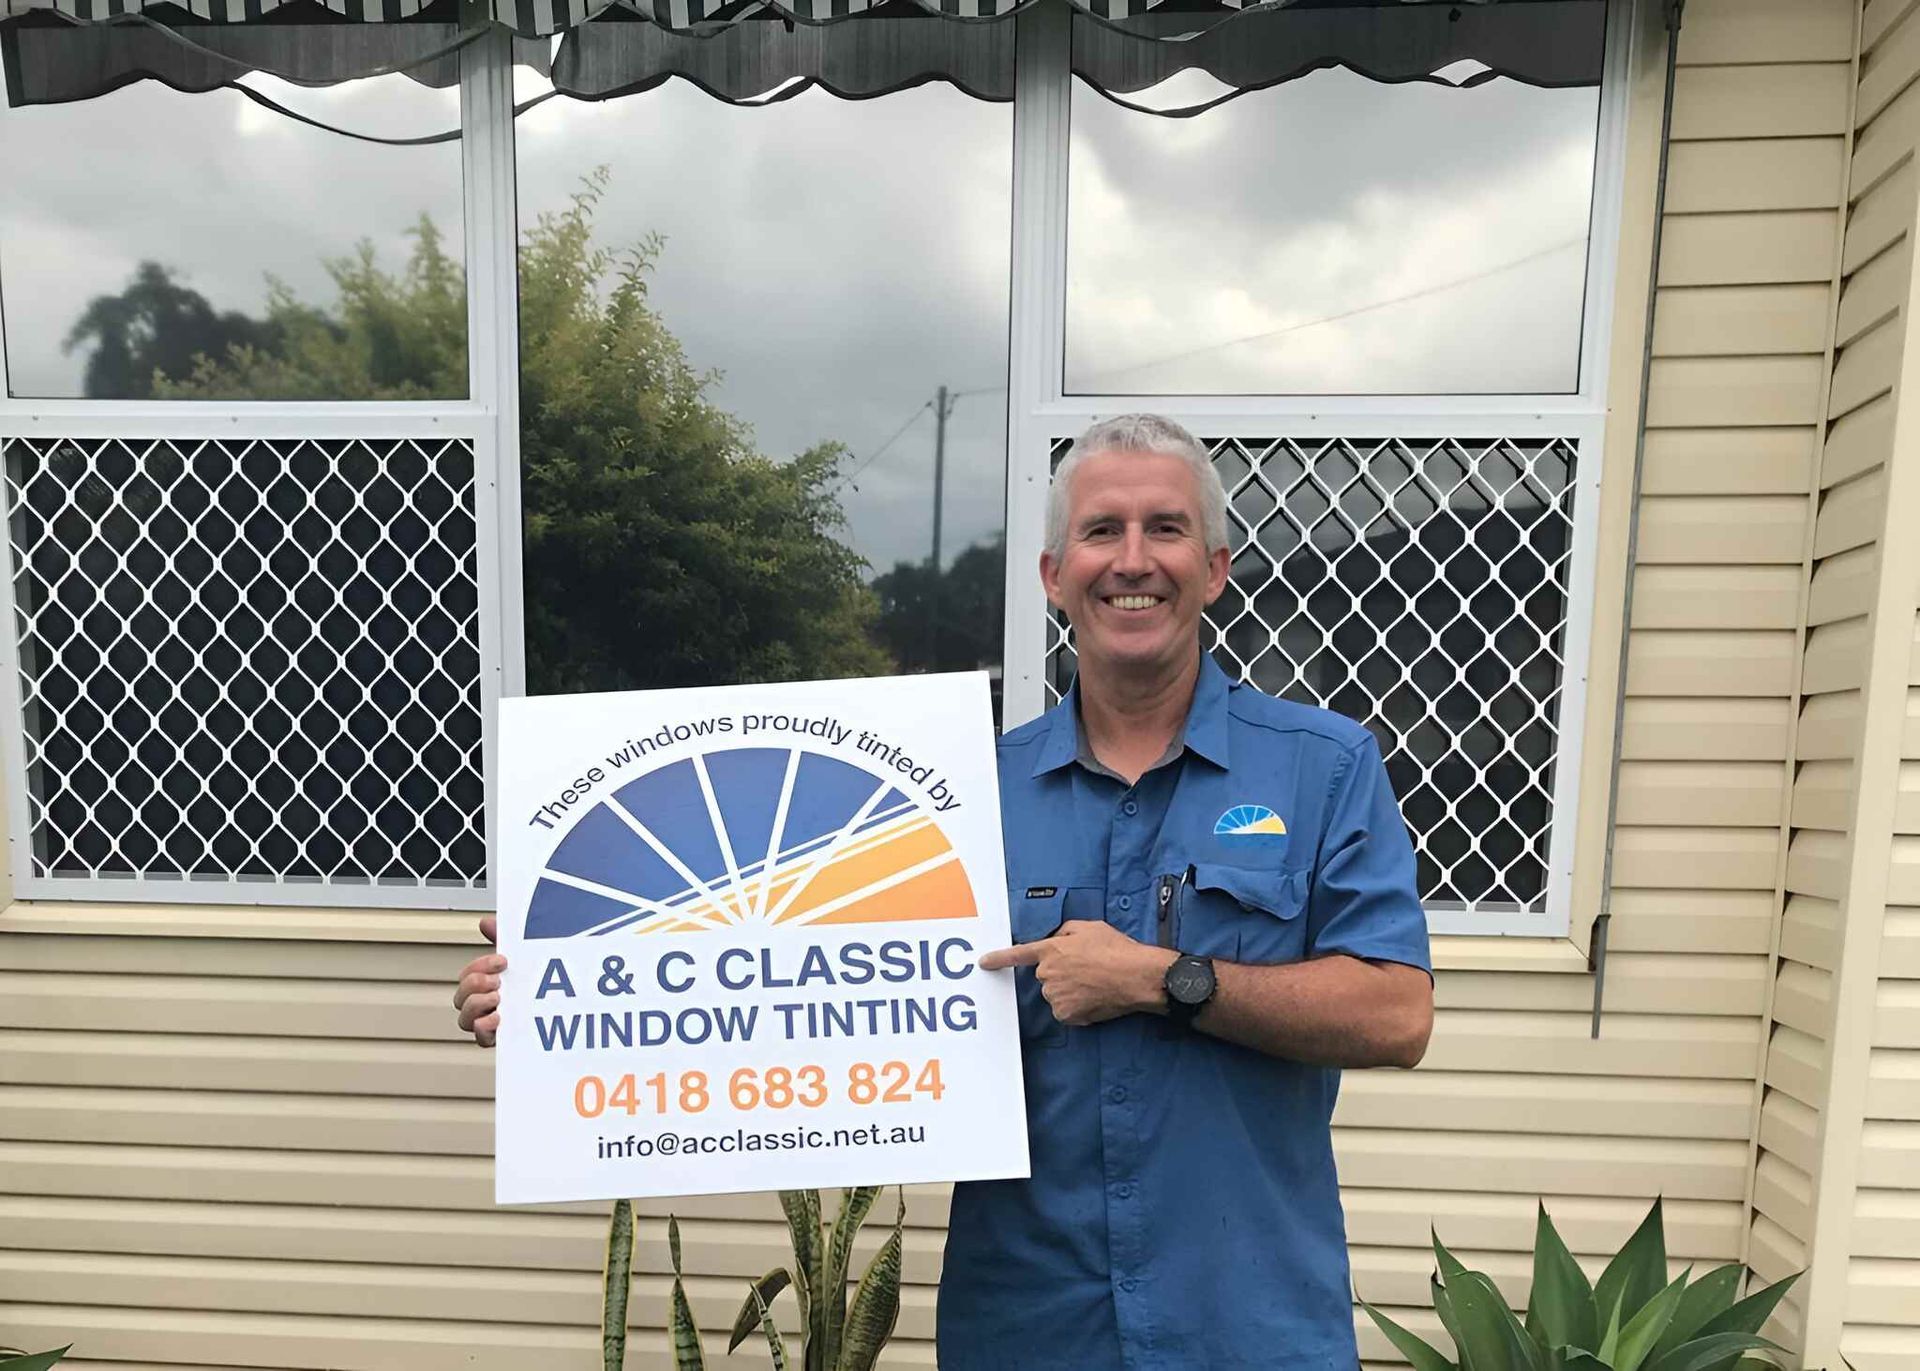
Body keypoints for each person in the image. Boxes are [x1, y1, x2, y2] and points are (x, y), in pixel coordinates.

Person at [455, 413, 1433, 1370]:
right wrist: (560, 988)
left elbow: (1396, 1014)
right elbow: (789, 971)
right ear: (1056, 578)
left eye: (1165, 528)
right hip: (1031, 1329)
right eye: (1100, 532)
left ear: (1215, 569)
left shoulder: (1325, 767)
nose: (1132, 559)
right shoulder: (956, 797)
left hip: (1247, 1327)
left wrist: (1164, 979)